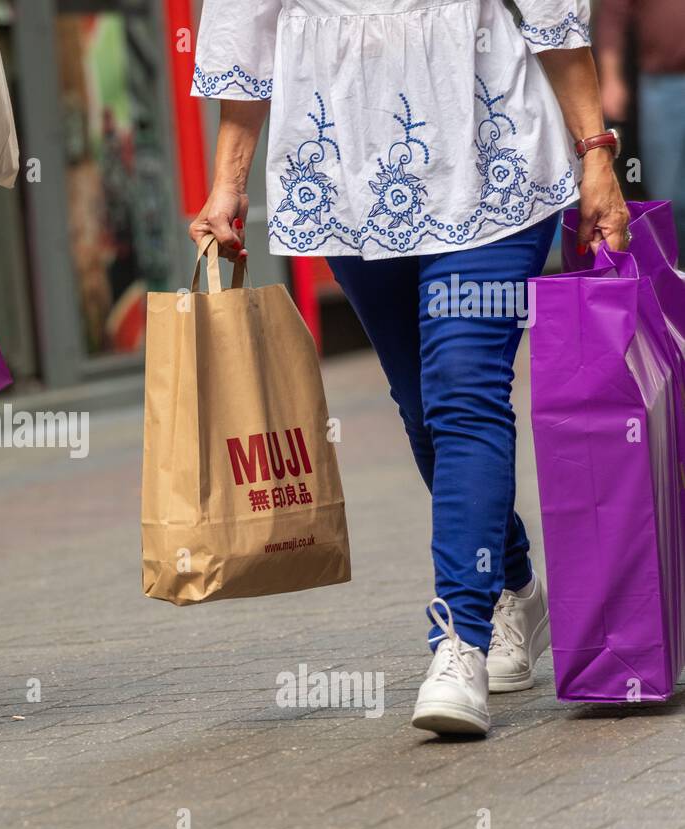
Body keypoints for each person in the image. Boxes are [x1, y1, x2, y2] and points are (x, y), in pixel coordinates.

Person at [189, 0, 629, 736]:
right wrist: (228, 182)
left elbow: (555, 14)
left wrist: (595, 152)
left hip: (490, 153)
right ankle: (512, 584)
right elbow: (245, 24)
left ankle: (458, 638)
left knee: (463, 387)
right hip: (344, 162)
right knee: (422, 404)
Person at [596, 0, 685, 261]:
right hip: (661, 84)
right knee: (669, 199)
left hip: (661, 87)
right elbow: (612, 19)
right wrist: (611, 79)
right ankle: (673, 280)